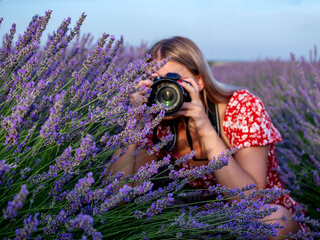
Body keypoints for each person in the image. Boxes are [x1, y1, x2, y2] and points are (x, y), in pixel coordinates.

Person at [110, 36, 303, 238]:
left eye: (172, 80)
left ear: (199, 81)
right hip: (199, 219)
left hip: (257, 214)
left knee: (276, 221)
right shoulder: (156, 122)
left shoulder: (242, 108)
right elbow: (115, 199)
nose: (165, 91)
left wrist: (205, 127)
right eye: (156, 81)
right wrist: (132, 126)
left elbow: (252, 202)